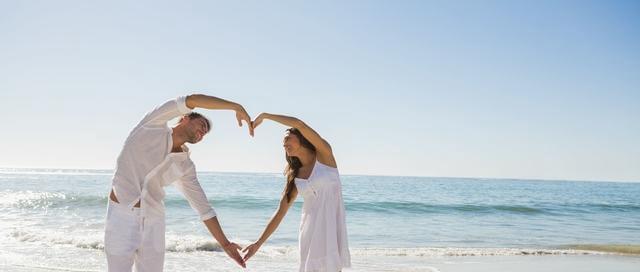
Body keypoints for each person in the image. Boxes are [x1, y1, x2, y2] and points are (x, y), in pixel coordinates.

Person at [104, 94, 252, 271]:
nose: (203, 132)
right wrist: (235, 106)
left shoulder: (185, 165)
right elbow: (192, 99)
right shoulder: (151, 126)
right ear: (185, 117)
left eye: (205, 134)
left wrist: (226, 245)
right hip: (121, 215)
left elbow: (203, 209)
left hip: (154, 221)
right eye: (202, 125)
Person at [242, 113, 351, 272]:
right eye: (283, 141)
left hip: (331, 231)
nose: (283, 143)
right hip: (309, 233)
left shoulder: (324, 155)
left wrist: (265, 116)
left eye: (287, 138)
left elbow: (299, 124)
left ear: (302, 138)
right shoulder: (296, 175)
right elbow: (280, 212)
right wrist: (258, 243)